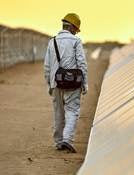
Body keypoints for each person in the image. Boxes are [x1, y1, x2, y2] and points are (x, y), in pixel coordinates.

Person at [43, 13, 88, 152]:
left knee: (58, 113)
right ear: (73, 28)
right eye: (76, 29)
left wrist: (50, 84)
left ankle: (58, 142)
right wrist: (84, 83)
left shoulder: (52, 41)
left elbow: (47, 66)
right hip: (73, 83)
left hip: (56, 83)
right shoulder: (76, 41)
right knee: (72, 110)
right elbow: (82, 64)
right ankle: (67, 139)